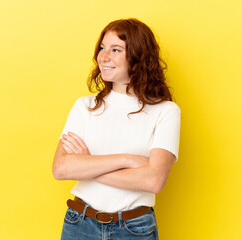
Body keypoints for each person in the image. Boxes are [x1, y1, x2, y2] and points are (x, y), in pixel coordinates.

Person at [52, 18, 181, 240]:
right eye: (102, 48)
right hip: (80, 224)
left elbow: (153, 181)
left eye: (115, 49)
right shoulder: (85, 106)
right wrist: (127, 160)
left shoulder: (166, 111)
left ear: (138, 56)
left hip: (134, 229)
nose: (103, 56)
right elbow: (61, 169)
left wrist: (88, 164)